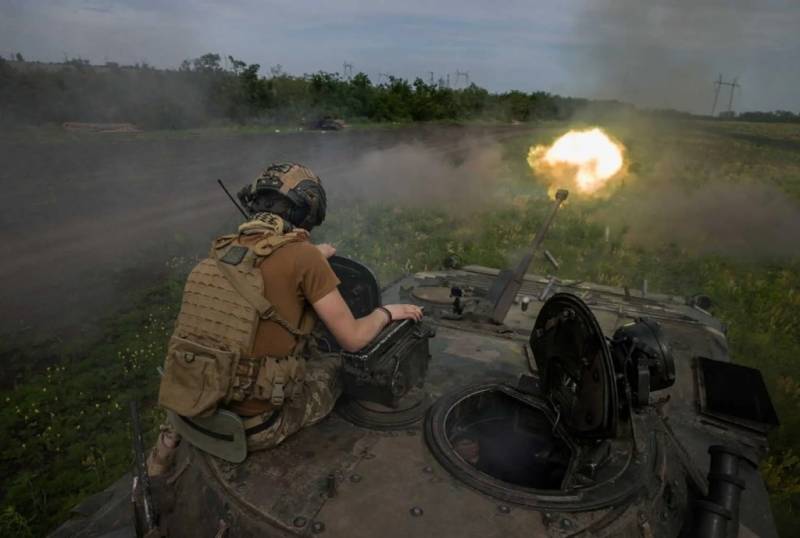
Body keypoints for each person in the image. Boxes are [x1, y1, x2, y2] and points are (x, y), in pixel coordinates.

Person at [148, 162, 422, 475]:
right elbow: (354, 338)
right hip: (256, 427)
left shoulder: (223, 251)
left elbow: (267, 266)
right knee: (337, 366)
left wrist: (312, 255)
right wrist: (386, 312)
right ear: (306, 211)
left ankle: (165, 444)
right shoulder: (303, 258)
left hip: (193, 409)